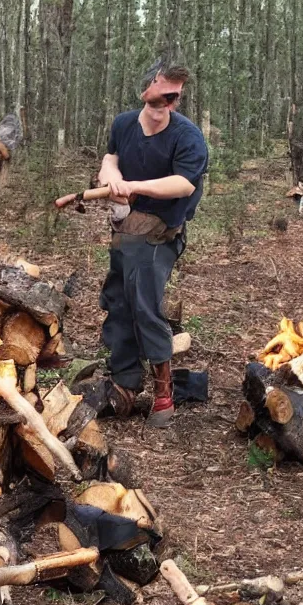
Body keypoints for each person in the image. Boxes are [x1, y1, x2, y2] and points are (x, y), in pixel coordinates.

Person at [94, 59, 208, 428]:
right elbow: (111, 158)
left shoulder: (187, 136)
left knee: (144, 301)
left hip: (162, 230)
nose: (167, 108)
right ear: (148, 92)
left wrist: (135, 187)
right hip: (126, 227)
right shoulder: (125, 123)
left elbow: (183, 184)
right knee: (118, 298)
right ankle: (125, 380)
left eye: (174, 100)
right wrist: (111, 176)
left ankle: (163, 390)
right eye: (161, 98)